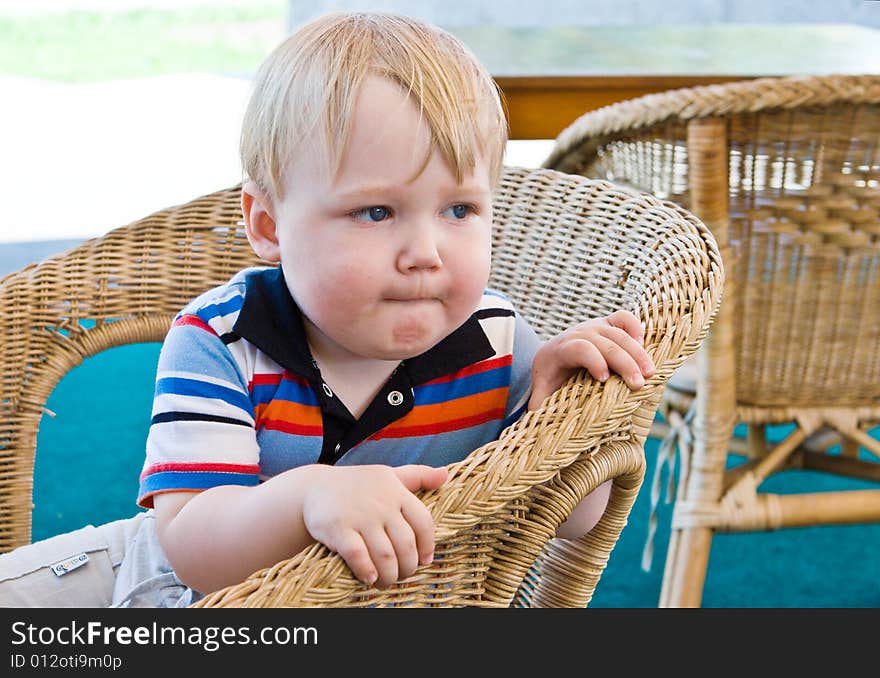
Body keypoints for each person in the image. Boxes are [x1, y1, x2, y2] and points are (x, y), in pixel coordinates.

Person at [0, 10, 654, 607]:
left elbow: (572, 515)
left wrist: (557, 420)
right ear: (270, 224)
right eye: (377, 211)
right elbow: (192, 547)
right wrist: (309, 496)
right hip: (160, 584)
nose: (425, 252)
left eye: (458, 209)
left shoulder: (498, 339)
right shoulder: (223, 339)